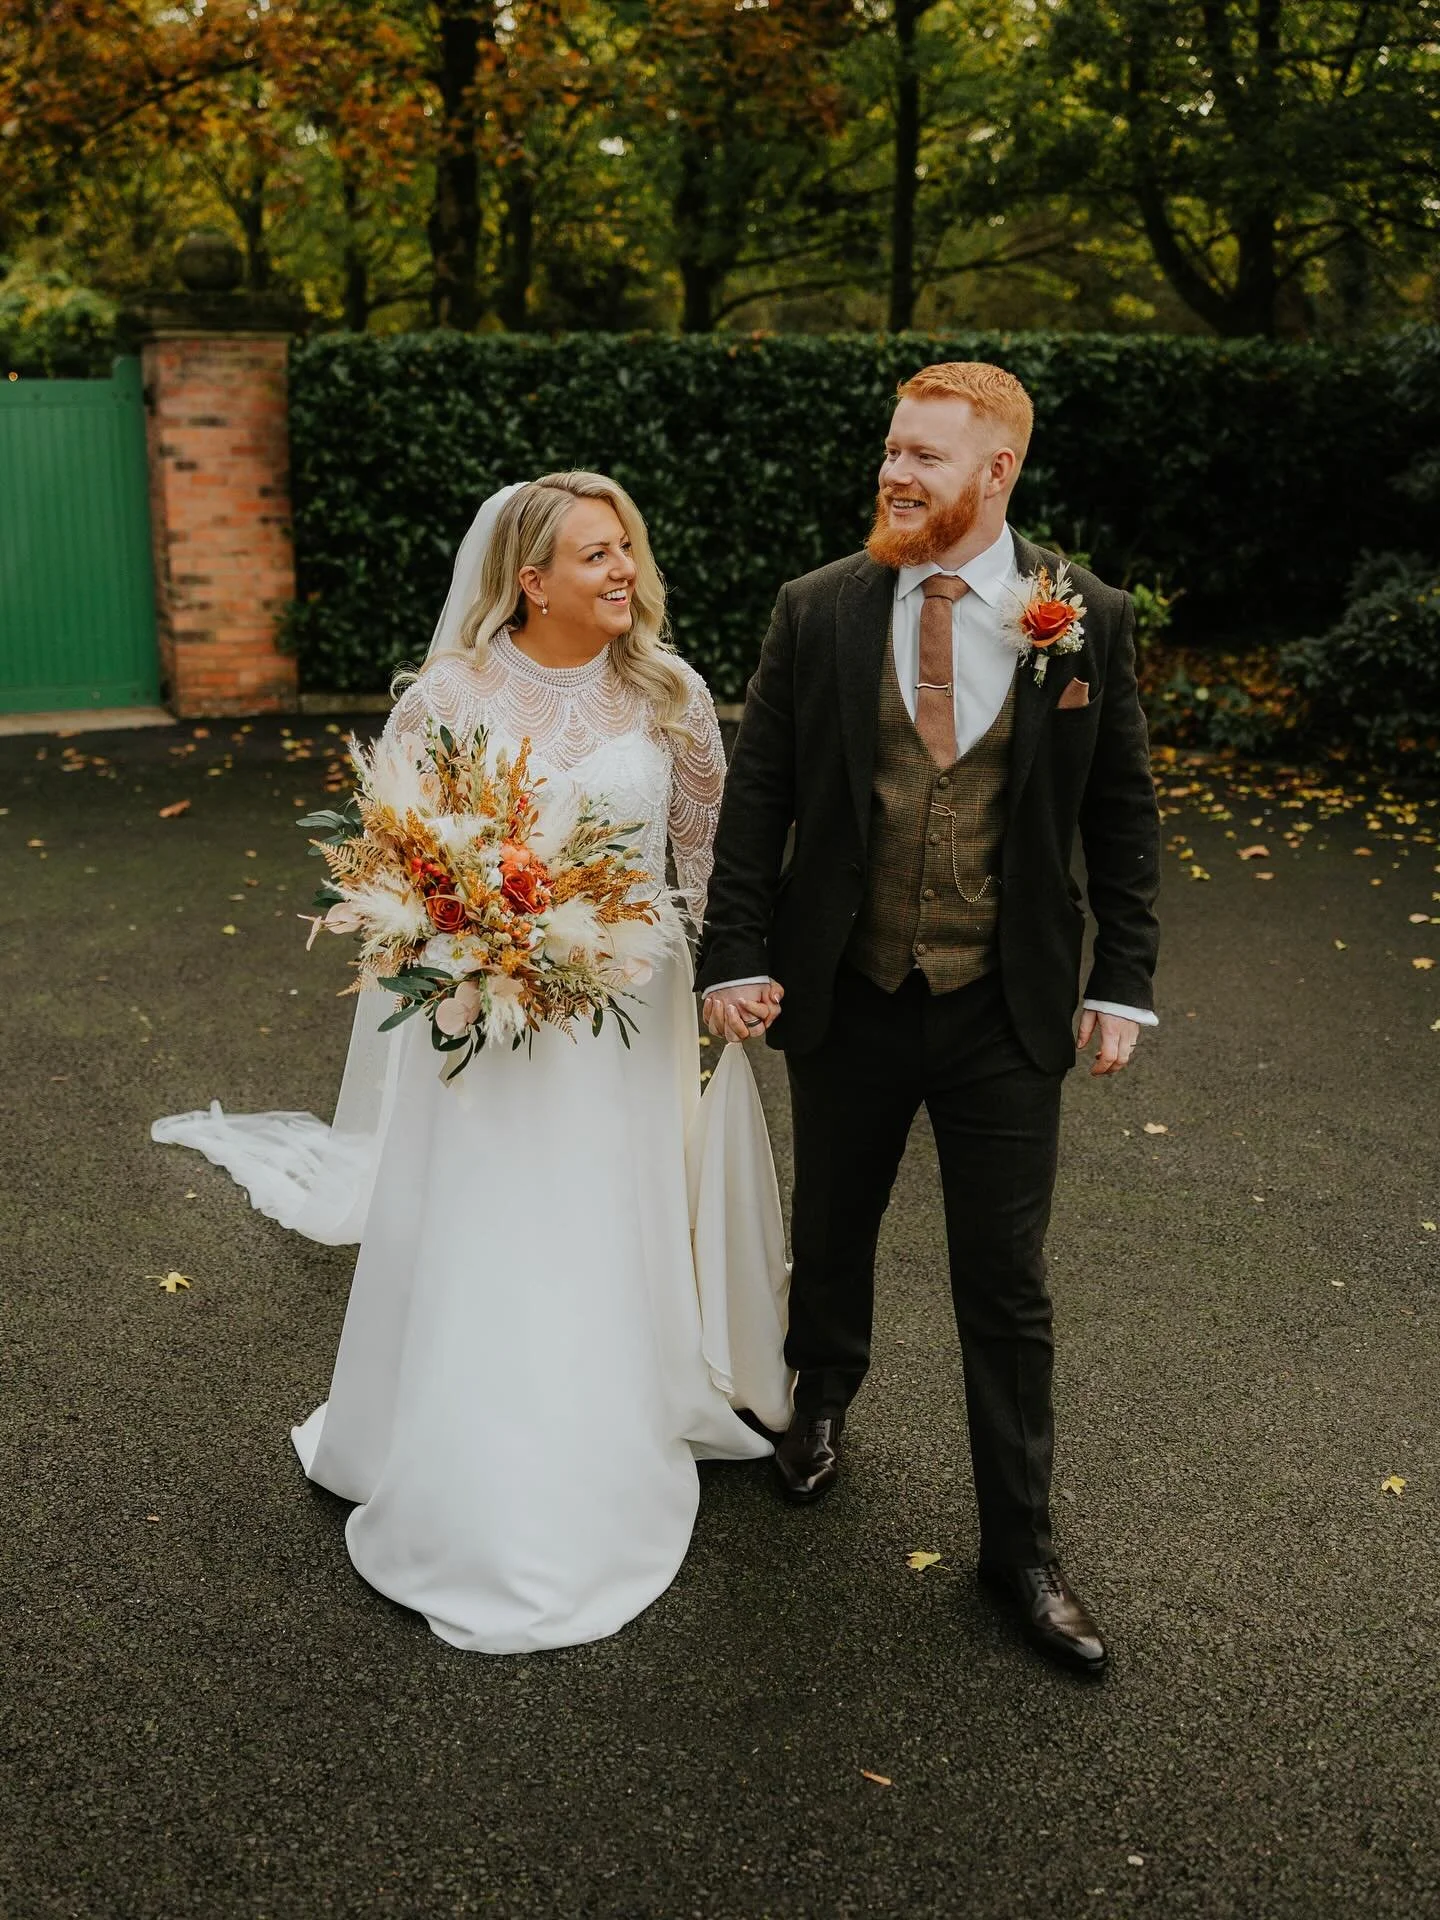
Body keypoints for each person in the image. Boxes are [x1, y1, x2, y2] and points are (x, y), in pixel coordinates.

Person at [154, 473, 791, 1655]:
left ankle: (610, 1423)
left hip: (626, 1010)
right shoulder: (451, 694)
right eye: (595, 555)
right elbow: (391, 859)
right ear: (529, 580)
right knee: (496, 1218)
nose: (623, 573)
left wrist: (720, 978)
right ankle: (468, 1464)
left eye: (627, 550)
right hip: (485, 1023)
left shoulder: (672, 695)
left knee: (604, 1212)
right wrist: (461, 943)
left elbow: (704, 860)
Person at [698, 363, 1161, 1675]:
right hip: (847, 987)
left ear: (997, 473)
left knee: (1006, 1285)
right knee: (831, 1219)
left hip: (1005, 1006)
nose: (897, 474)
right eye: (893, 448)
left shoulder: (1085, 619)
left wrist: (1121, 980)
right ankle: (819, 1399)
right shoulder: (820, 609)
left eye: (926, 459)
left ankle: (1022, 1549)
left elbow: (1120, 815)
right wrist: (733, 952)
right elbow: (761, 795)